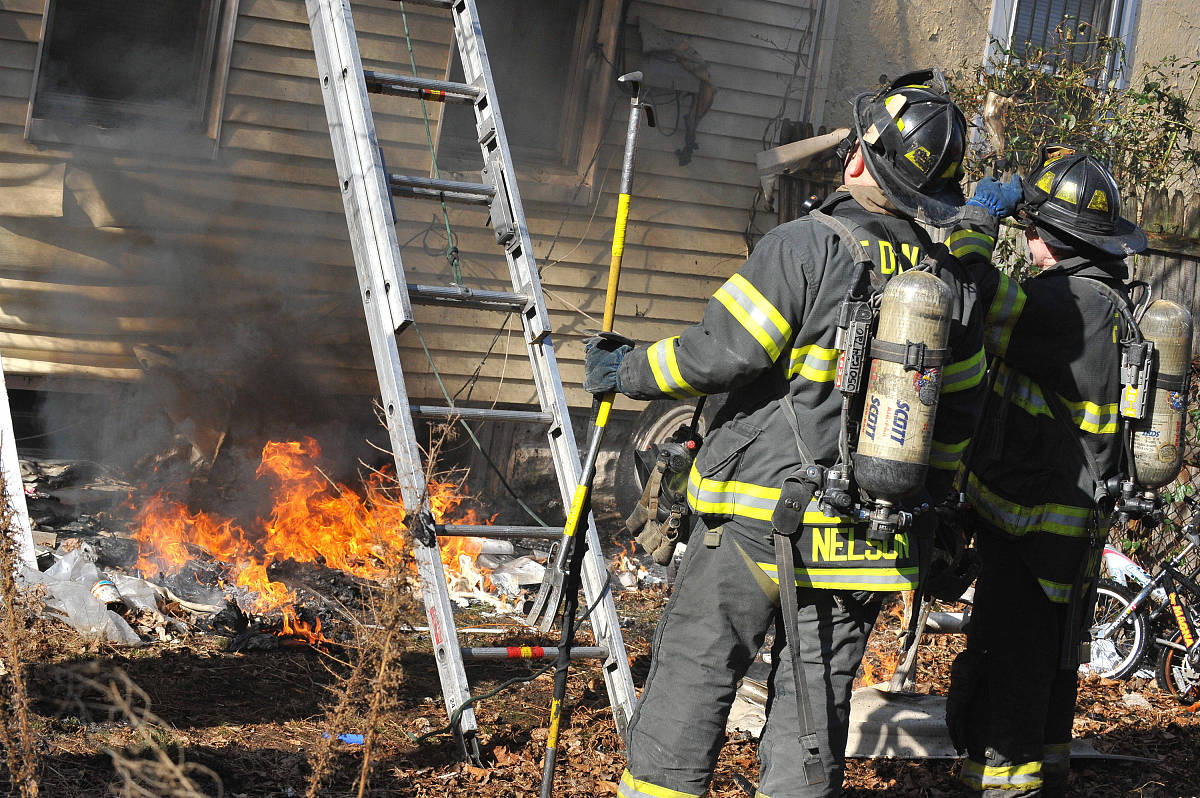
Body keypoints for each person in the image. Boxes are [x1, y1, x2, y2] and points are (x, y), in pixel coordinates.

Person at [584, 69, 1014, 798]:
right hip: (867, 543)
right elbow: (960, 420)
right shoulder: (951, 288)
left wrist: (623, 370)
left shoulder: (804, 247)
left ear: (856, 159)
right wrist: (929, 504)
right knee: (813, 717)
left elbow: (717, 353)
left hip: (757, 526)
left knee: (693, 681)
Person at [948, 148, 1150, 797]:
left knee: (1012, 661)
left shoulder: (1071, 305)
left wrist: (978, 215)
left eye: (1032, 231)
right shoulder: (1107, 300)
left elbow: (971, 290)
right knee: (1048, 661)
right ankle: (1047, 772)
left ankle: (1003, 785)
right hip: (1063, 522)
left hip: (1034, 527)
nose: (1027, 243)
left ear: (1056, 239)